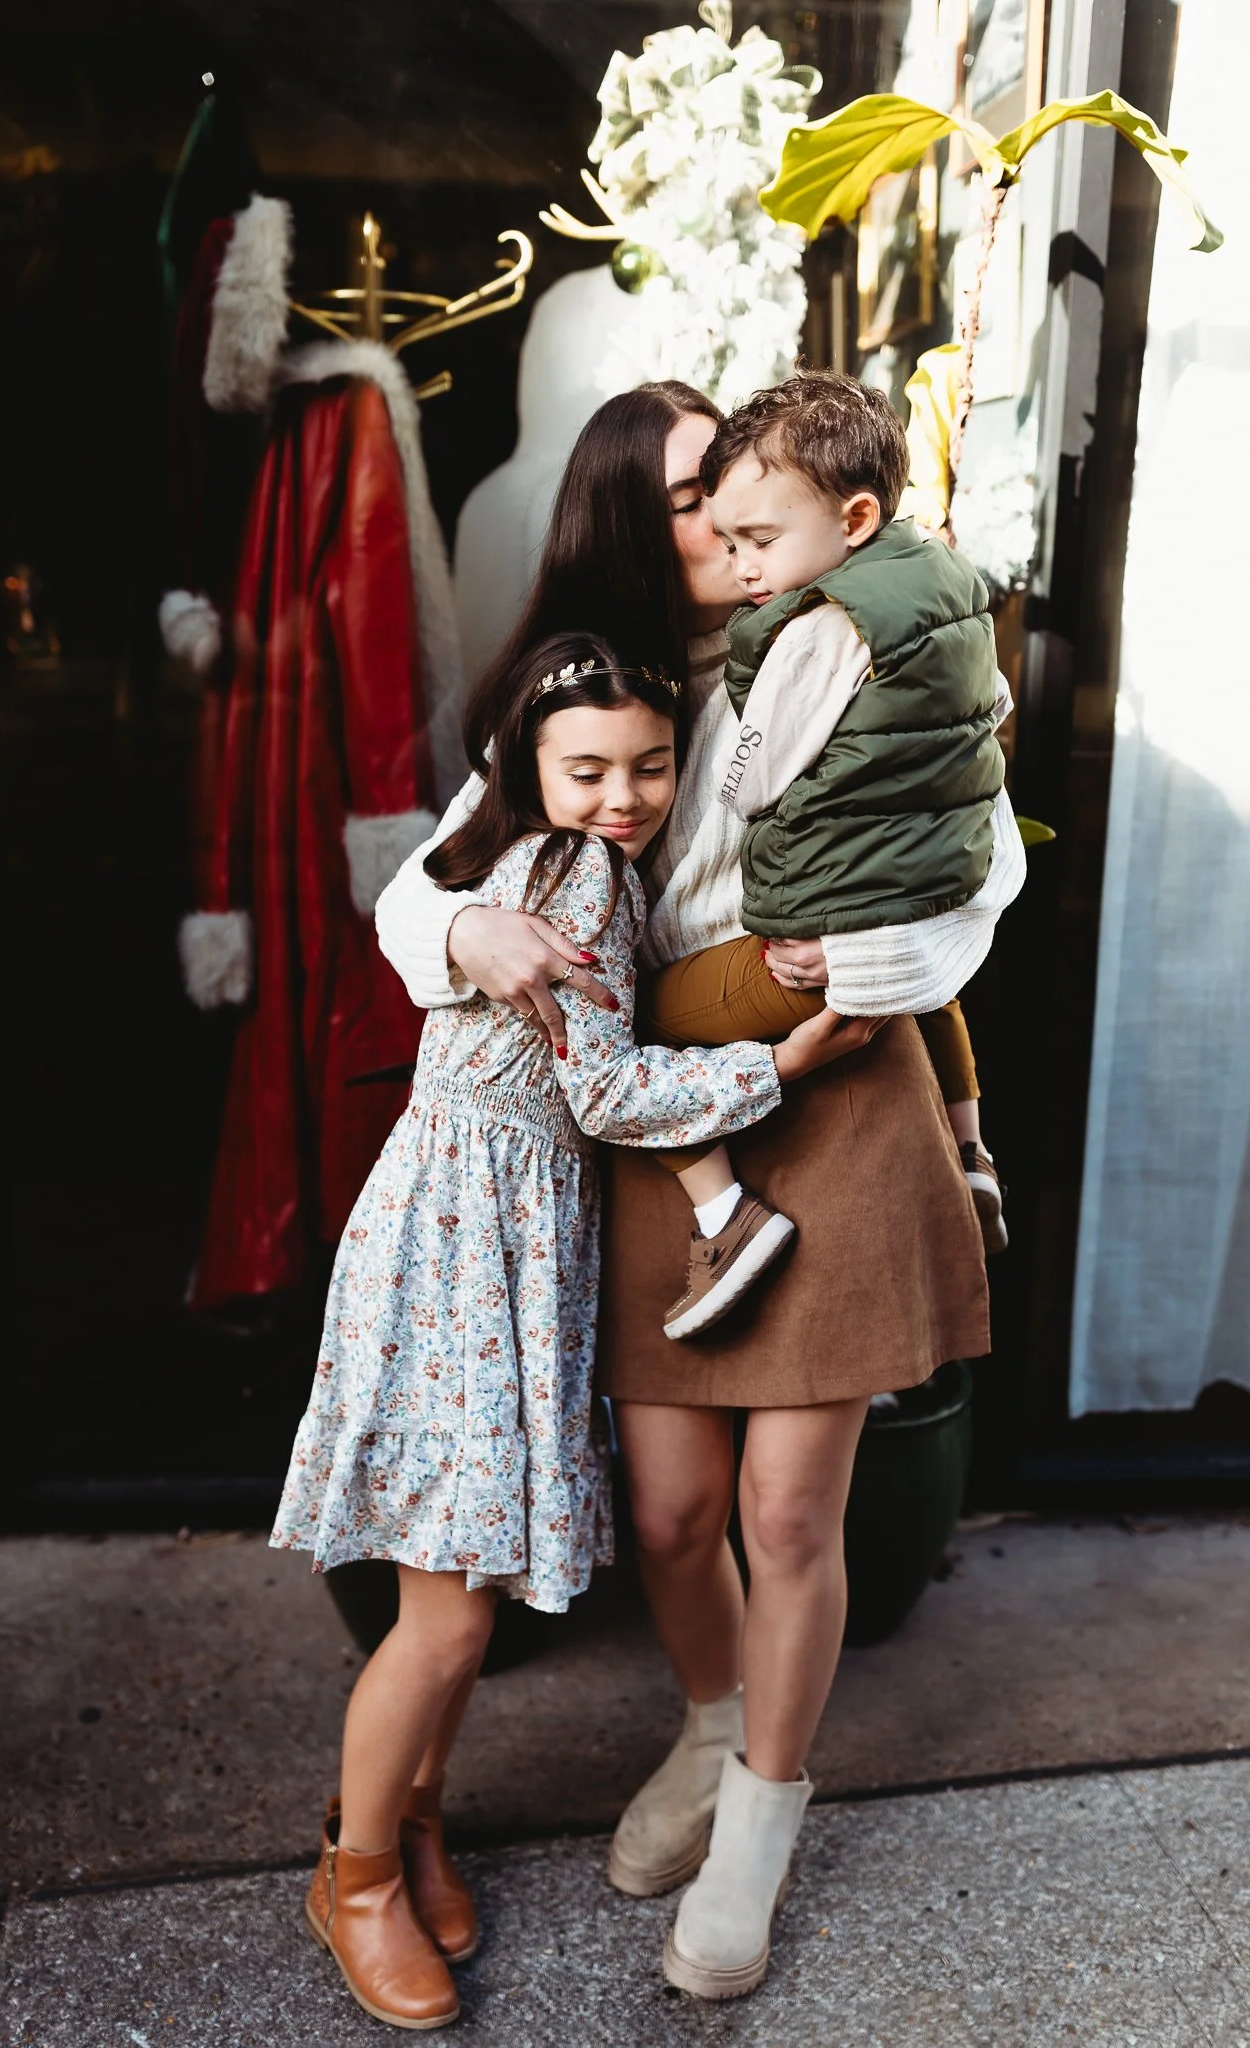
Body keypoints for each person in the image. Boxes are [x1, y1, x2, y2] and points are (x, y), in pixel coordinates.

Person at [376, 383, 1000, 2002]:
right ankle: (712, 1723)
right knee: (666, 1507)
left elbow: (972, 853)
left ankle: (757, 1828)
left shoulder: (854, 639)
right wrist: (464, 937)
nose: (722, 513)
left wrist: (872, 962)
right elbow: (423, 883)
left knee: (788, 1508)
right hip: (670, 1120)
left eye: (733, 480)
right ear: (621, 522)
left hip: (835, 1085)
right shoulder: (599, 692)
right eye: (683, 494)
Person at [272, 629, 851, 2033]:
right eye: (587, 767)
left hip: (482, 1238)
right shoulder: (572, 872)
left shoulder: (544, 866)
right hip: (471, 1252)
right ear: (529, 767)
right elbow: (604, 1094)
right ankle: (352, 1875)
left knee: (454, 1575)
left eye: (652, 765)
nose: (626, 795)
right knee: (449, 1617)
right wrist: (777, 1064)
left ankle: (410, 1831)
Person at [643, 368, 1024, 1340]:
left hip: (790, 972)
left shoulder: (814, 633)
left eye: (751, 536)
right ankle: (974, 1151)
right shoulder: (929, 585)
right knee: (936, 999)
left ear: (851, 517)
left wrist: (851, 951)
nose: (739, 562)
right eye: (710, 527)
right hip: (867, 971)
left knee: (618, 1028)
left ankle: (723, 1216)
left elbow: (755, 776)